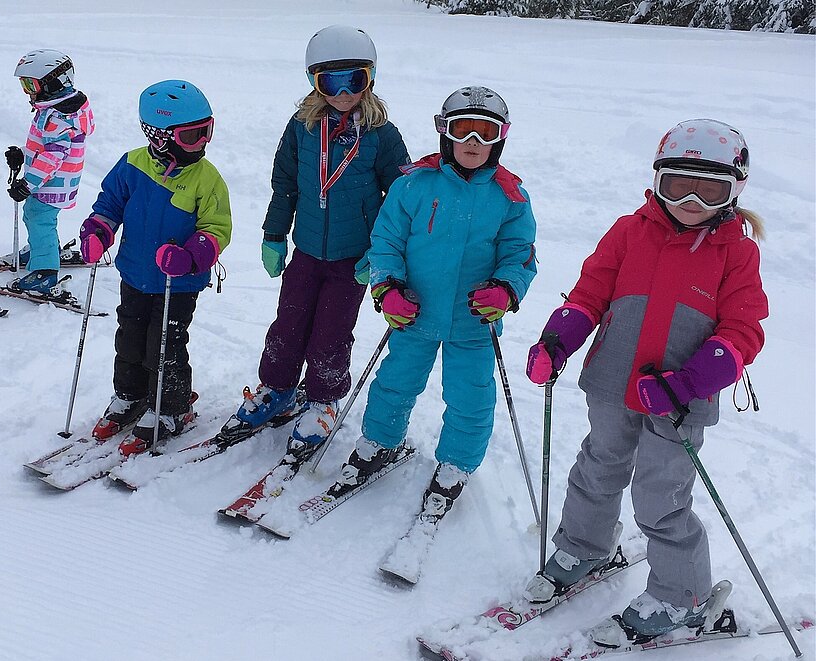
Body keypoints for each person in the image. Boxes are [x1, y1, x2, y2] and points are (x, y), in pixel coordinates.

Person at [522, 119, 768, 643]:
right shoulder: (628, 231)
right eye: (680, 185)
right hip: (613, 381)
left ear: (734, 190)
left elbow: (743, 329)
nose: (693, 201)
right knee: (597, 466)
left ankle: (683, 597)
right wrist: (556, 340)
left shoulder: (737, 252)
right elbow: (589, 293)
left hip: (679, 401)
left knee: (661, 496)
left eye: (711, 189)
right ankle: (584, 547)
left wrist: (689, 383)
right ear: (658, 180)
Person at [329, 85, 537, 526]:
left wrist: (506, 288)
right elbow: (385, 241)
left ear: (501, 137)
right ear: (445, 132)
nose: (474, 143)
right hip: (414, 312)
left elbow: (520, 254)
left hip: (474, 322)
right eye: (464, 131)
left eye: (486, 132)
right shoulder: (413, 185)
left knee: (471, 397)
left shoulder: (510, 196)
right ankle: (379, 443)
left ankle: (456, 464)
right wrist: (387, 288)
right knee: (395, 382)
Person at [227, 25, 410, 467]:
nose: (344, 92)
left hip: (352, 258)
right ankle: (278, 386)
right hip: (306, 251)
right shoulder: (302, 128)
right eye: (331, 82)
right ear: (315, 82)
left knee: (331, 330)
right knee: (288, 322)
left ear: (370, 80)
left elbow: (400, 200)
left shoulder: (382, 135)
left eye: (356, 80)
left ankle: (325, 398)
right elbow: (284, 184)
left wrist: (380, 253)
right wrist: (274, 235)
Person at [81, 80, 231, 452]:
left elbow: (217, 227)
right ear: (159, 136)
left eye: (206, 131)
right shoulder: (132, 164)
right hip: (134, 273)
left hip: (177, 283)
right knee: (129, 337)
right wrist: (98, 230)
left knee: (164, 345)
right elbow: (110, 203)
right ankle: (130, 394)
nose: (203, 142)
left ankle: (171, 408)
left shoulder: (207, 178)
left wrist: (192, 254)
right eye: (193, 135)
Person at [7, 49, 94, 297]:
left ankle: (44, 272)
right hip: (57, 179)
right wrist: (23, 154)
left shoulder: (57, 117)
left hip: (51, 183)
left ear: (52, 83)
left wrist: (28, 183)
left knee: (38, 217)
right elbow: (46, 150)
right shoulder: (62, 110)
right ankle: (44, 248)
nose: (27, 91)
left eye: (30, 84)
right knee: (40, 218)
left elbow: (52, 157)